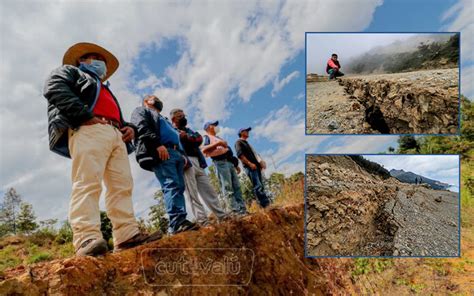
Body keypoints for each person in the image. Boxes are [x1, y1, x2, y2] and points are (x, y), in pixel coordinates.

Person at [43, 42, 161, 256]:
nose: (102, 65)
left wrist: (129, 127)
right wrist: (84, 116)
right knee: (87, 181)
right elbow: (54, 88)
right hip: (88, 128)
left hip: (114, 133)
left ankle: (126, 235)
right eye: (96, 58)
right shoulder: (69, 72)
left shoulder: (103, 88)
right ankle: (85, 237)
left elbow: (118, 115)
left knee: (122, 185)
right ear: (82, 60)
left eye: (103, 62)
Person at [130, 95, 198, 235]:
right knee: (171, 184)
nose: (158, 99)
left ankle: (178, 223)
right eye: (154, 98)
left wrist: (182, 155)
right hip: (162, 150)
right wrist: (157, 145)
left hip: (175, 153)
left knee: (179, 186)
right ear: (145, 101)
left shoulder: (163, 118)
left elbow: (176, 136)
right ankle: (177, 221)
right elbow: (142, 127)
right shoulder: (141, 111)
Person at [170, 109, 228, 225]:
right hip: (186, 162)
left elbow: (199, 139)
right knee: (192, 193)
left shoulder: (188, 130)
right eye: (180, 116)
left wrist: (187, 136)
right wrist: (187, 138)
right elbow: (181, 139)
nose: (183, 117)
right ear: (173, 119)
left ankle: (222, 216)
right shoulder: (171, 130)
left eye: (183, 115)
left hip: (198, 161)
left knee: (209, 190)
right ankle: (203, 221)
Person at [201, 121, 247, 215]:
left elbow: (228, 152)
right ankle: (234, 210)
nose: (216, 127)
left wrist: (235, 165)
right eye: (214, 125)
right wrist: (218, 144)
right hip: (220, 163)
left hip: (229, 163)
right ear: (209, 127)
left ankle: (242, 210)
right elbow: (204, 150)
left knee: (237, 187)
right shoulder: (207, 137)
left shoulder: (218, 138)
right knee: (227, 187)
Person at [235, 127, 270, 208]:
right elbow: (240, 155)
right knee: (258, 186)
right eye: (246, 131)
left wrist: (260, 163)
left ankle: (263, 205)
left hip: (256, 167)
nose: (248, 132)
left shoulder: (247, 143)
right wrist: (250, 164)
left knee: (261, 185)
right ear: (241, 132)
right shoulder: (239, 142)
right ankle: (266, 205)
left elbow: (255, 154)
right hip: (250, 167)